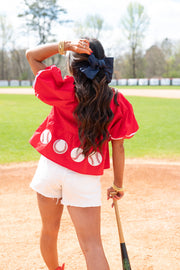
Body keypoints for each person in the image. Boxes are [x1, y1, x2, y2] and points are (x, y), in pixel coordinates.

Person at [26, 38, 139, 270]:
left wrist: (65, 45)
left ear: (72, 66)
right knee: (92, 246)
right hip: (83, 175)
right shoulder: (116, 101)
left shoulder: (62, 88)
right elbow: (118, 146)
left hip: (50, 167)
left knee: (49, 230)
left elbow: (32, 55)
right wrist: (117, 185)